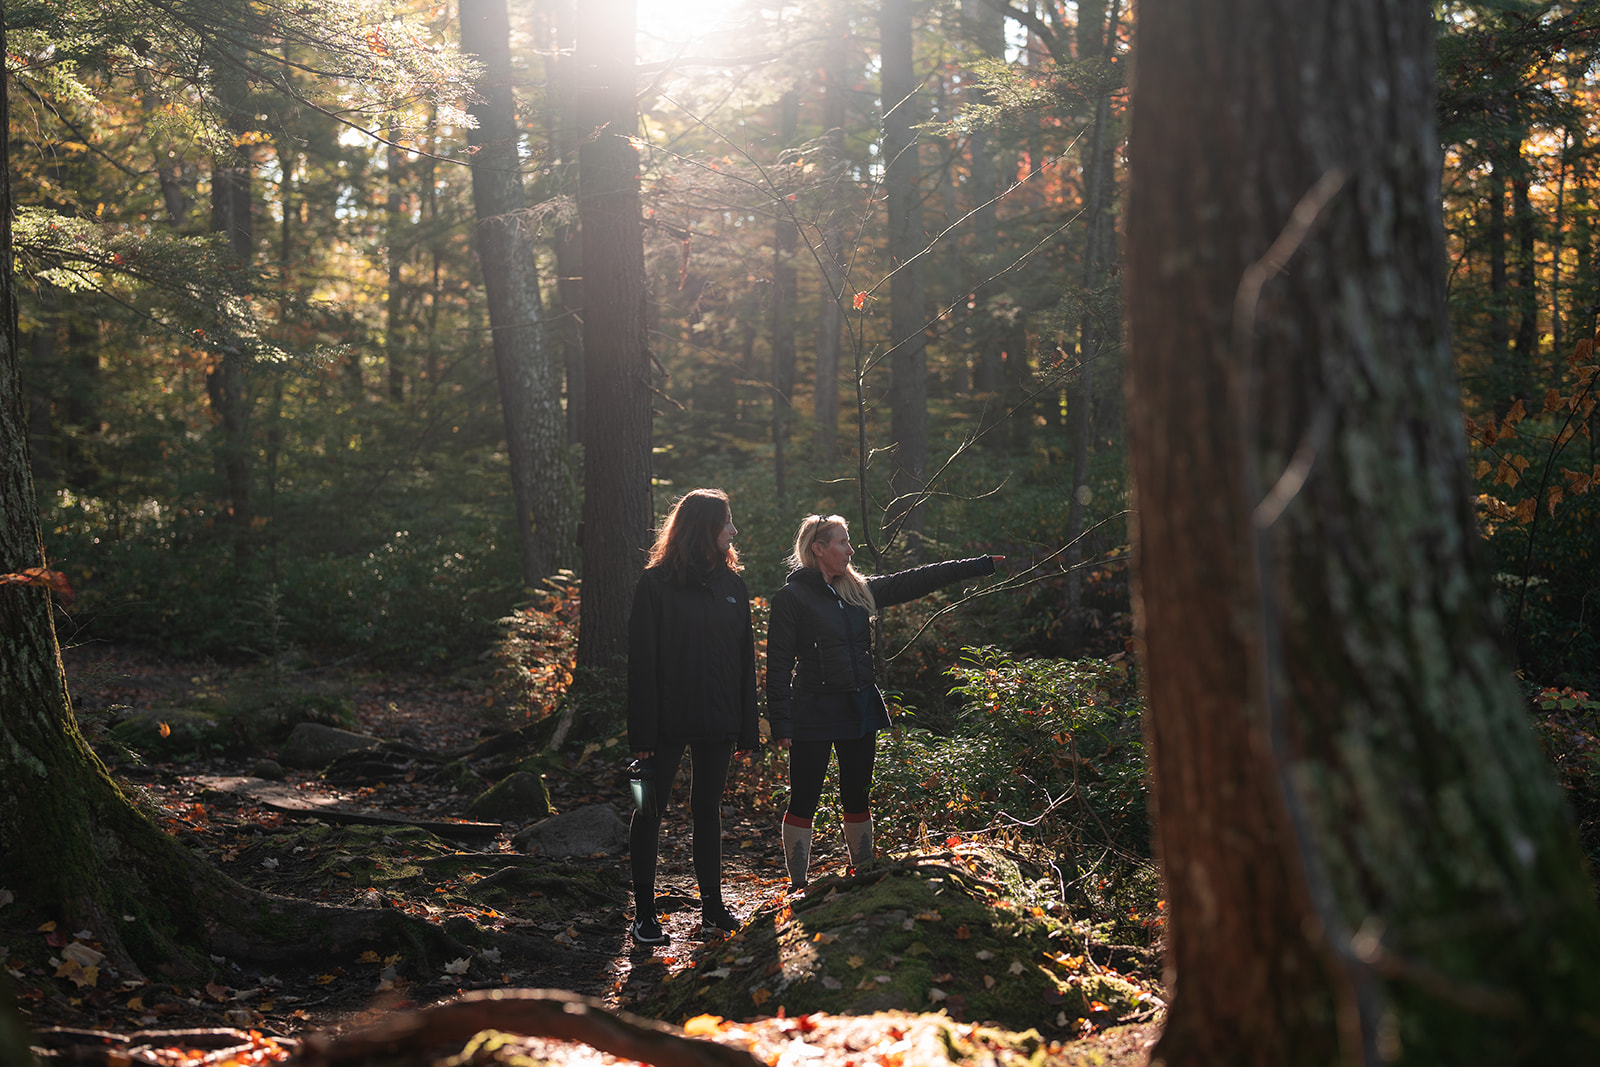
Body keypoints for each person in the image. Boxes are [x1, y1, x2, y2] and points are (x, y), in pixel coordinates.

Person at [765, 514, 1001, 890]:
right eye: (843, 542)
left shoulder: (855, 590)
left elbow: (914, 580)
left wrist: (975, 565)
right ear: (818, 549)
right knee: (804, 797)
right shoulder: (791, 598)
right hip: (812, 708)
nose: (851, 549)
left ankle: (864, 872)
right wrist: (782, 722)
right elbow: (777, 664)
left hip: (858, 706)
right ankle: (797, 887)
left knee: (857, 793)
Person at [625, 489, 757, 945]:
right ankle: (644, 915)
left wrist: (747, 728)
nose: (734, 531)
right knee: (647, 810)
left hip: (718, 721)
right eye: (727, 522)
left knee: (708, 811)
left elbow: (744, 661)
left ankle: (713, 909)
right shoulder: (655, 584)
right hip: (660, 726)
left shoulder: (733, 587)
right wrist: (640, 733)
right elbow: (641, 664)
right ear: (704, 527)